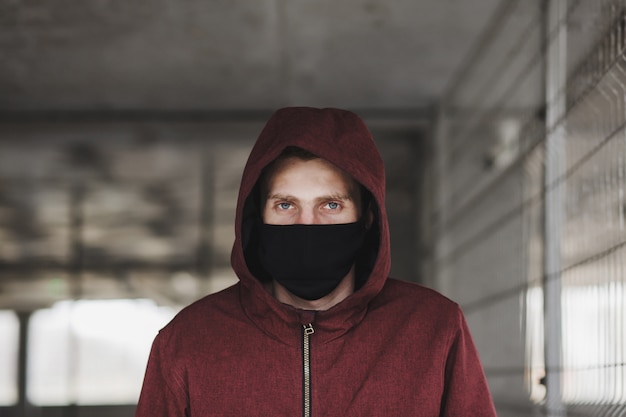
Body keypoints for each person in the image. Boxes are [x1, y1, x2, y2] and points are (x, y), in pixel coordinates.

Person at [135, 107, 497, 416]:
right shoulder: (188, 341)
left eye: (331, 205)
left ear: (367, 217)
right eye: (286, 205)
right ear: (256, 217)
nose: (307, 225)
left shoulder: (433, 329)